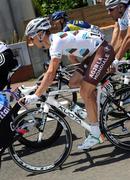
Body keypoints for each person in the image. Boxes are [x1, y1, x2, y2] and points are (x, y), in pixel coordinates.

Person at [20, 17, 115, 150]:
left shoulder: (56, 42)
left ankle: (95, 134)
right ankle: (93, 106)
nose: (31, 42)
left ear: (40, 34)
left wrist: (36, 95)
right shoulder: (56, 41)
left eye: (31, 37)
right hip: (94, 53)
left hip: (102, 51)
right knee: (73, 82)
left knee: (85, 92)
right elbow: (55, 68)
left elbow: (51, 72)